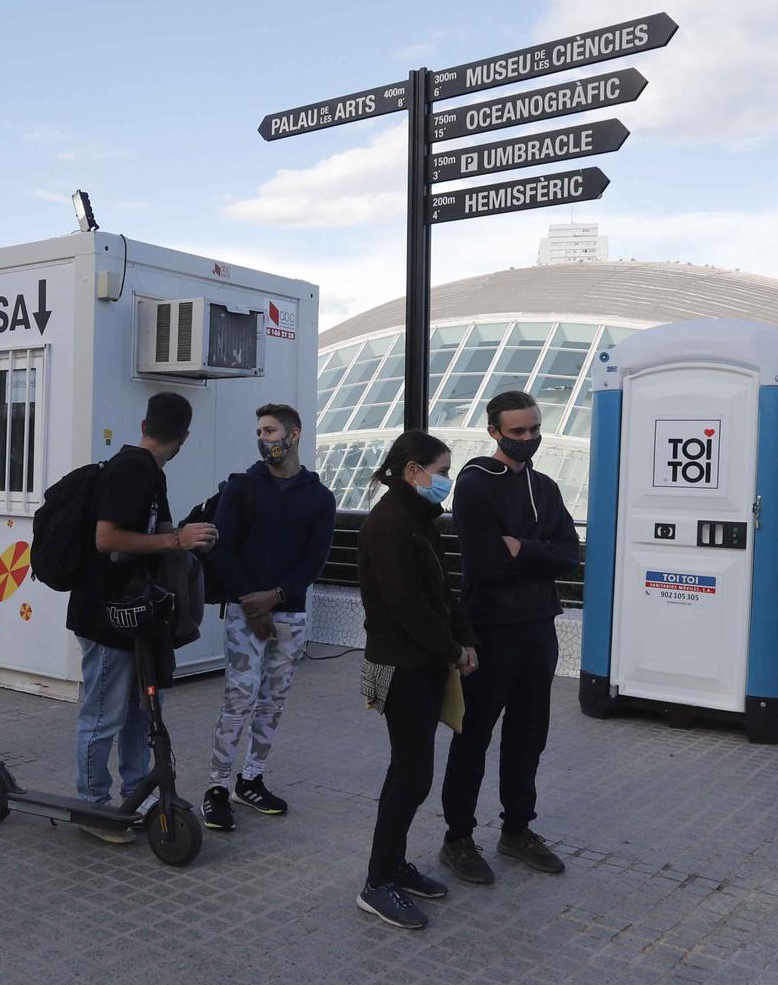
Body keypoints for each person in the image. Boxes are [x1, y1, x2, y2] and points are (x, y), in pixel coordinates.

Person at [439, 391, 581, 883]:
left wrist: (525, 548)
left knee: (528, 736)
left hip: (539, 627)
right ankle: (457, 838)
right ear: (494, 432)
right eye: (517, 432)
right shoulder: (476, 483)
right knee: (473, 736)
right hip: (490, 630)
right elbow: (488, 565)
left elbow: (572, 555)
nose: (528, 439)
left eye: (534, 430)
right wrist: (537, 555)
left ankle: (517, 829)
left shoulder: (545, 486)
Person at [65, 392, 216, 841]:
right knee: (103, 716)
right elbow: (107, 539)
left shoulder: (150, 471)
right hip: (105, 617)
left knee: (138, 713)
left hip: (134, 618)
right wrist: (176, 543)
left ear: (144, 422)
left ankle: (138, 792)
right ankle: (93, 806)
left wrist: (191, 534)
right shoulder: (133, 468)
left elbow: (158, 530)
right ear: (185, 437)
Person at [355, 429, 475, 929]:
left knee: (414, 770)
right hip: (399, 663)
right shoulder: (389, 524)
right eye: (441, 470)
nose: (445, 480)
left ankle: (394, 865)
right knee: (410, 772)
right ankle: (377, 882)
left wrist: (459, 640)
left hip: (422, 661)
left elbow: (442, 591)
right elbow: (407, 605)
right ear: (413, 471)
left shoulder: (418, 518)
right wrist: (451, 647)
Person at [201, 402, 337, 830]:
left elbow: (315, 560)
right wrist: (248, 600)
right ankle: (218, 786)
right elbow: (221, 548)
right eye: (260, 431)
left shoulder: (319, 496)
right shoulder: (241, 487)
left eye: (271, 431)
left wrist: (275, 597)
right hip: (245, 614)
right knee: (238, 699)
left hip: (289, 615)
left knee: (272, 702)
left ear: (293, 436)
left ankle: (252, 779)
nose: (264, 439)